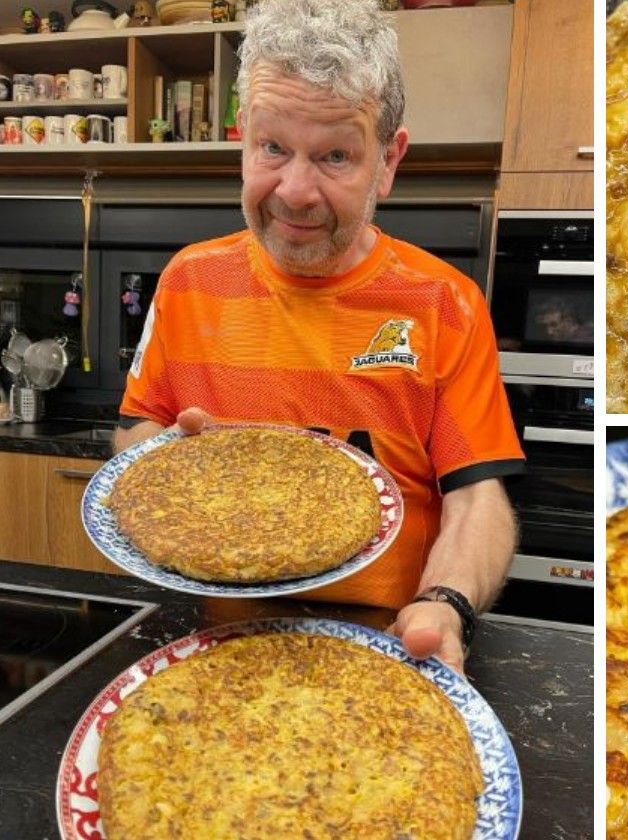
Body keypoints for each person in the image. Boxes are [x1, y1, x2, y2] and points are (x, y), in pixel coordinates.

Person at [111, 0, 523, 674]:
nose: (295, 191)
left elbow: (478, 496)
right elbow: (133, 436)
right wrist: (178, 461)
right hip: (215, 652)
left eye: (335, 155)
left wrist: (447, 604)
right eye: (273, 148)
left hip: (387, 649)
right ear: (244, 138)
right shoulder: (186, 281)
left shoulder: (446, 304)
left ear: (388, 161)